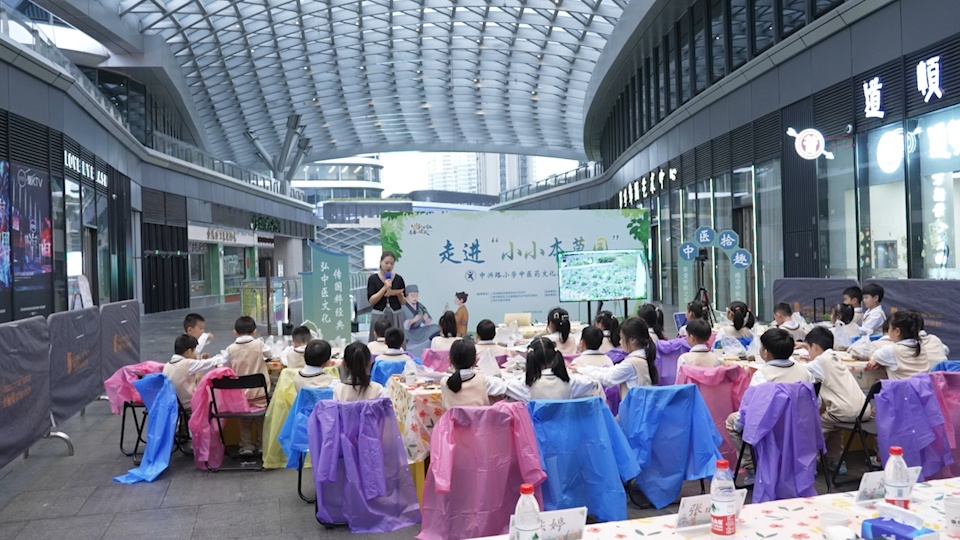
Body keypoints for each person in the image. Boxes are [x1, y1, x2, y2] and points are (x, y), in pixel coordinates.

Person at [725, 328, 810, 483]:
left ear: (766, 352)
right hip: (799, 426)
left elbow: (752, 410)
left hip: (772, 428)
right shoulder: (804, 371)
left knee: (732, 421)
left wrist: (739, 423)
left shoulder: (762, 375)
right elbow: (814, 402)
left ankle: (752, 469)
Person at [803, 327, 869, 474]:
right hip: (864, 410)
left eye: (808, 349)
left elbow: (802, 372)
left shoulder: (820, 361)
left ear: (814, 346)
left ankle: (811, 464)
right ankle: (836, 460)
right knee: (835, 427)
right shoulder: (836, 358)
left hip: (844, 410)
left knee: (817, 428)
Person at [217, 316, 273, 455]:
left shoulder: (230, 349)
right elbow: (270, 353)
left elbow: (224, 365)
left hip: (241, 398)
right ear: (254, 331)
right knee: (261, 419)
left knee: (244, 421)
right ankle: (262, 445)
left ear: (235, 332)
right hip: (260, 395)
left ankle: (247, 446)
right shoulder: (259, 344)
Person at [576, 317, 659, 400]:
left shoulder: (631, 363)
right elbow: (609, 370)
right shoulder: (642, 357)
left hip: (634, 410)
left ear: (633, 340)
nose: (620, 342)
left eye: (622, 338)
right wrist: (584, 369)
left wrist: (581, 370)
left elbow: (608, 378)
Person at [505, 337, 599, 402]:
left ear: (531, 358)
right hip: (565, 429)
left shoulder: (525, 384)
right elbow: (593, 384)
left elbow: (500, 387)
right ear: (555, 357)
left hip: (535, 430)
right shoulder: (571, 381)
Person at [440, 339, 507, 408]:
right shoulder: (483, 381)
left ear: (449, 360)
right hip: (479, 419)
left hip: (452, 419)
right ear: (476, 360)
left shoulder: (444, 382)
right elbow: (503, 388)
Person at [163, 334, 222, 411]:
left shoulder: (167, 365)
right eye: (194, 351)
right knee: (214, 400)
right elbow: (210, 362)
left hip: (171, 405)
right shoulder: (187, 364)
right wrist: (224, 357)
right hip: (188, 405)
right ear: (189, 351)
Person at [866, 310, 928, 380]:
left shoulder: (891, 350)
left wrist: (877, 359)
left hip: (902, 390)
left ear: (897, 331)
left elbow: (874, 355)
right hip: (924, 389)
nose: (888, 332)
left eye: (889, 328)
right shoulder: (921, 348)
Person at [367, 251, 406, 342]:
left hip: (395, 314)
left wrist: (400, 296)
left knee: (396, 341)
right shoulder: (373, 279)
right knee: (378, 342)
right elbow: (371, 301)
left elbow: (404, 302)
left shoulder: (398, 279)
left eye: (391, 263)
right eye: (386, 263)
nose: (389, 266)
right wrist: (384, 288)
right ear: (381, 262)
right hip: (379, 314)